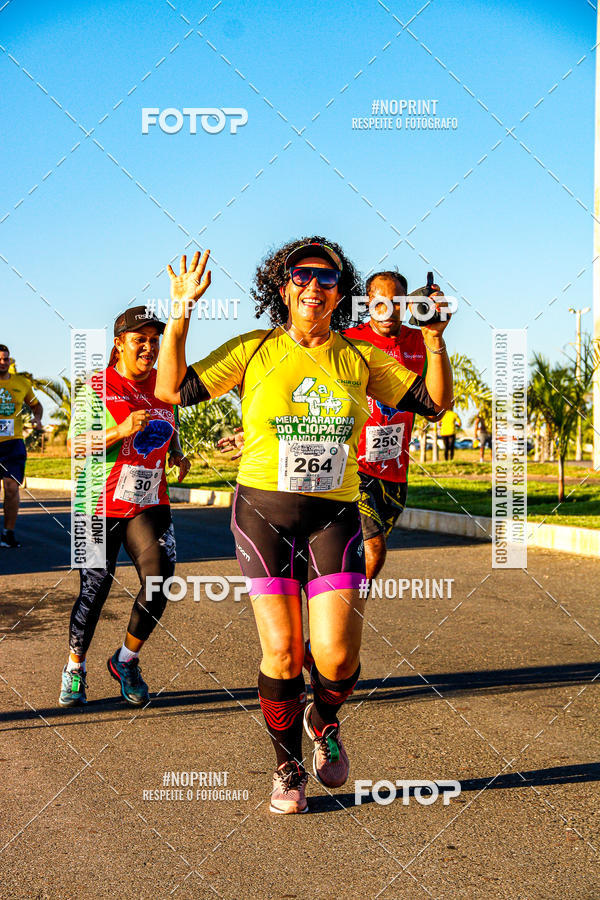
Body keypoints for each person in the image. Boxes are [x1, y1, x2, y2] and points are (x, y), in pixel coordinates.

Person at [156, 238, 453, 814]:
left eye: (327, 278)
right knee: (286, 651)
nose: (313, 286)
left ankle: (324, 717)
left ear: (341, 294)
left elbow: (433, 403)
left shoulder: (358, 358)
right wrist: (181, 311)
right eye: (301, 275)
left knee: (337, 658)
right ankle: (287, 768)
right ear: (283, 285)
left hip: (334, 516)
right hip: (263, 513)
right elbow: (174, 390)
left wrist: (436, 340)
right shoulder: (255, 349)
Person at [59, 307, 190, 708]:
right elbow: (75, 447)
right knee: (94, 591)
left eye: (154, 340)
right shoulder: (96, 386)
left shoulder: (166, 385)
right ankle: (75, 669)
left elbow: (169, 423)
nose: (149, 347)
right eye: (140, 340)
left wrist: (178, 454)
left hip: (148, 502)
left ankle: (126, 660)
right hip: (96, 503)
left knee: (159, 580)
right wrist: (118, 430)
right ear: (119, 344)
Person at [344, 271, 431, 579]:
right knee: (374, 547)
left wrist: (436, 335)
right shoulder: (349, 341)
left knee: (360, 554)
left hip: (395, 472)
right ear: (368, 303)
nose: (388, 310)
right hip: (355, 468)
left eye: (397, 302)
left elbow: (436, 407)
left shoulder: (421, 341)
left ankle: (337, 607)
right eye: (380, 302)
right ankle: (348, 610)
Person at [0, 344, 44, 548]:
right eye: (0, 359)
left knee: (11, 488)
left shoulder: (21, 383)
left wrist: (37, 419)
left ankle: (8, 532)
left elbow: (37, 405)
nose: (3, 363)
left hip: (13, 443)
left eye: (6, 359)